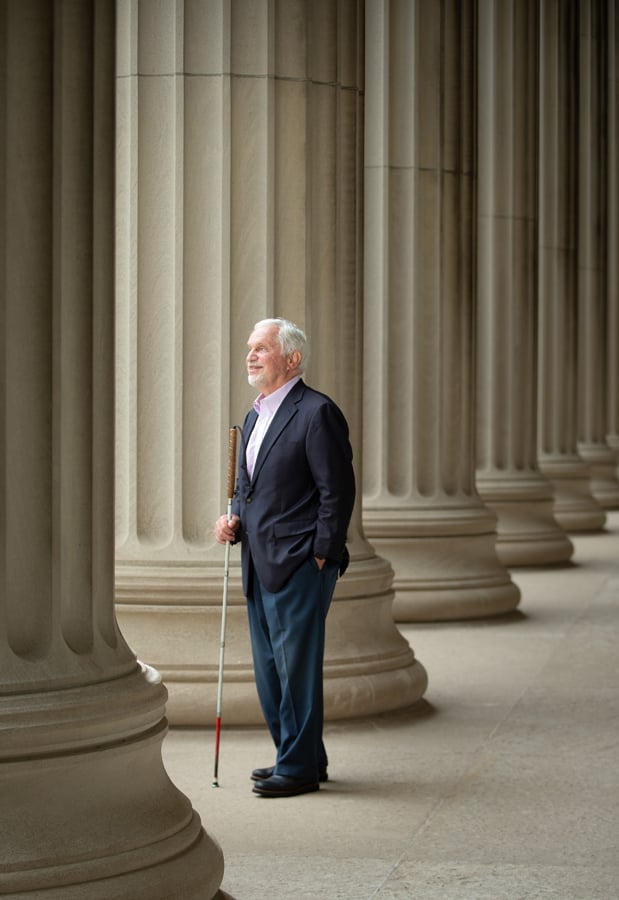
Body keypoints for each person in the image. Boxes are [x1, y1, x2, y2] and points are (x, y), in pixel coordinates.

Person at [214, 317, 355, 798]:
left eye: (262, 348)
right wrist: (230, 519)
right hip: (257, 561)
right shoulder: (254, 416)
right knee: (271, 670)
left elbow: (337, 493)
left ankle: (295, 768)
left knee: (296, 668)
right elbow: (246, 490)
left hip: (299, 563)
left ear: (291, 359)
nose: (251, 355)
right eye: (250, 348)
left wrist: (321, 556)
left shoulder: (317, 413)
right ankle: (300, 757)